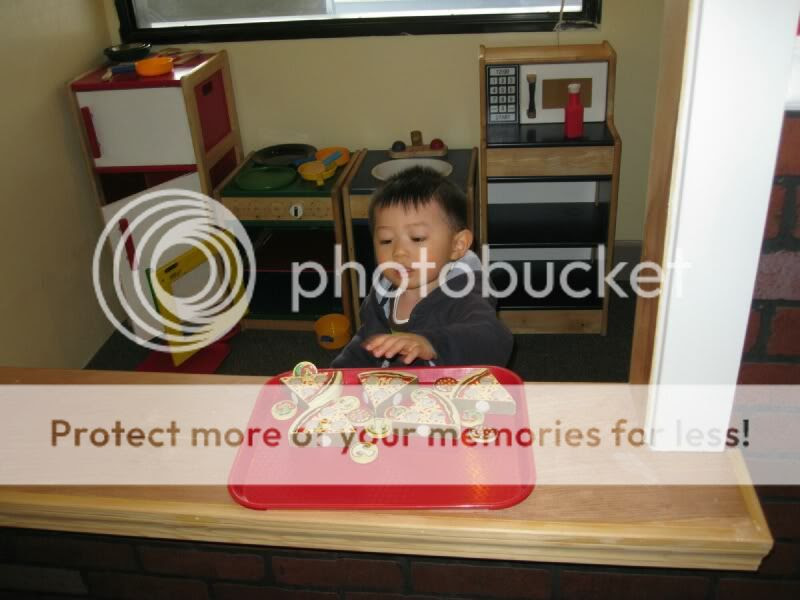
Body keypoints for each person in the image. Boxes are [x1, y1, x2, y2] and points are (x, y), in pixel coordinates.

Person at [331, 166, 513, 368]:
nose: (399, 252)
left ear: (457, 245)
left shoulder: (465, 294)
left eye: (417, 238)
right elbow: (366, 343)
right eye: (386, 240)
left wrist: (432, 344)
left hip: (447, 386)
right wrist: (339, 375)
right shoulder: (382, 295)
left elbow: (493, 340)